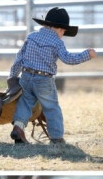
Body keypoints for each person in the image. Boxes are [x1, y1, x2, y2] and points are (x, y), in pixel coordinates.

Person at [8, 7, 97, 143]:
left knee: (25, 103)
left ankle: (18, 128)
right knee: (51, 107)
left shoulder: (31, 37)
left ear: (45, 24)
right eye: (64, 32)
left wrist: (13, 76)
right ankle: (56, 138)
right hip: (43, 79)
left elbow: (19, 58)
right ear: (60, 29)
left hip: (26, 76)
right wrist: (87, 54)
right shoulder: (57, 42)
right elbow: (68, 59)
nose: (63, 34)